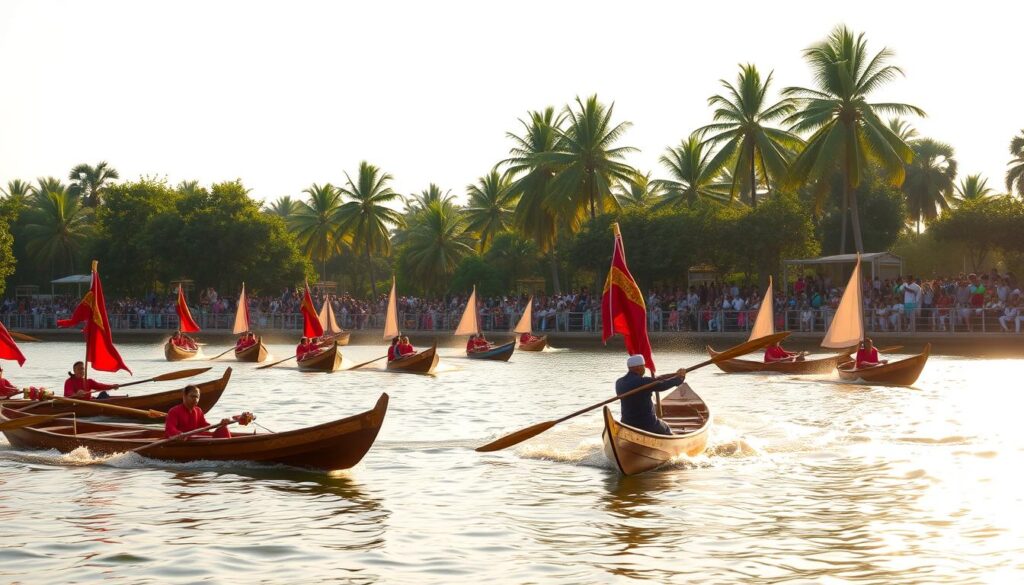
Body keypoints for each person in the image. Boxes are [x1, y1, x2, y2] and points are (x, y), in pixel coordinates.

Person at [615, 355, 686, 436]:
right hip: (648, 425)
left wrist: (675, 374)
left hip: (627, 423)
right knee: (666, 427)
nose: (644, 368)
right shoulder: (644, 382)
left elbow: (658, 379)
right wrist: (680, 378)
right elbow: (663, 385)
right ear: (638, 367)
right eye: (643, 366)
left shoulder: (619, 382)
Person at [164, 384, 232, 439]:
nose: (195, 399)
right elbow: (169, 429)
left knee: (223, 429)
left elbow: (206, 426)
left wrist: (220, 425)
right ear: (184, 396)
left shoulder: (198, 410)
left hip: (194, 439)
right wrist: (179, 434)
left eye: (197, 397)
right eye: (192, 396)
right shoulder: (174, 411)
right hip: (181, 442)